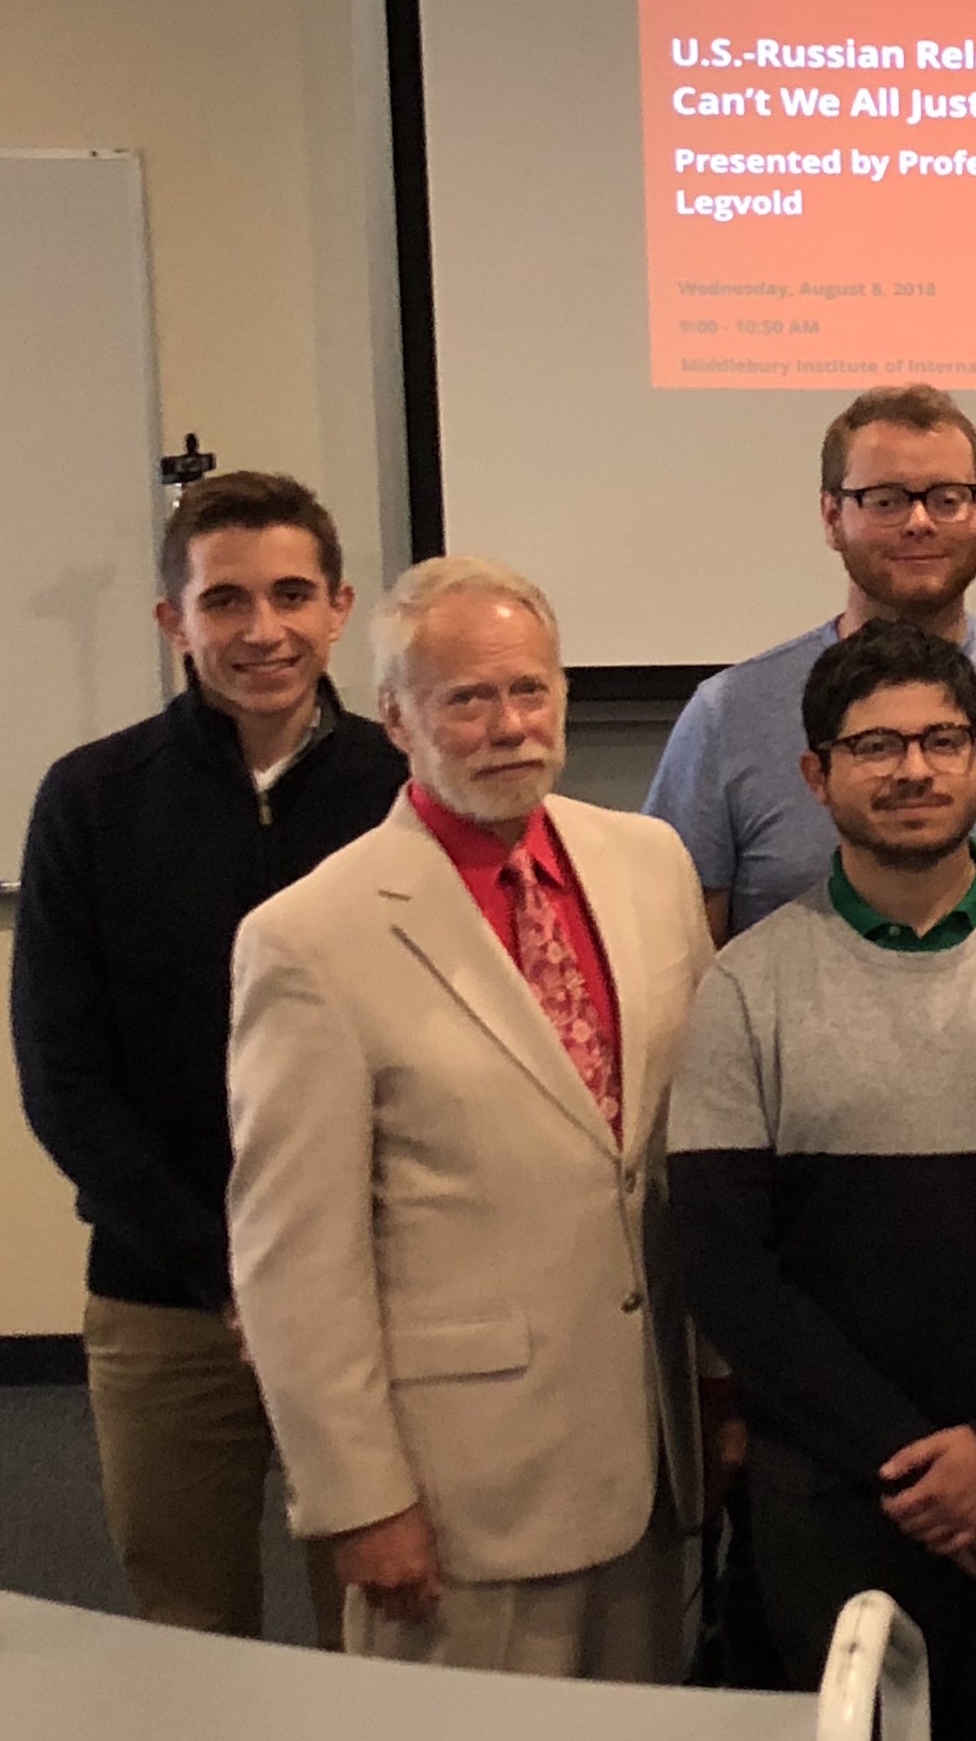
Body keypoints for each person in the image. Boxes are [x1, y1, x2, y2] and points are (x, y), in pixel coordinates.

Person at [665, 622, 976, 1740]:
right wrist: (907, 1461)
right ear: (818, 774)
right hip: (839, 1490)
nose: (914, 770)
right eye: (877, 746)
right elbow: (724, 1263)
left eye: (944, 740)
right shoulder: (746, 988)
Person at [225, 557, 712, 1677]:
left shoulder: (648, 865)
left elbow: (683, 1154)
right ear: (396, 717)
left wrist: (715, 1386)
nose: (509, 725)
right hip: (457, 1494)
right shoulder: (310, 936)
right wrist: (359, 1497)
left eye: (530, 690)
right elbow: (296, 1258)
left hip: (646, 1449)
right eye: (468, 699)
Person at [9, 472, 403, 1643]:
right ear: (174, 621)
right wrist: (221, 1265)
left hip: (379, 1288)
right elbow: (64, 1079)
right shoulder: (90, 799)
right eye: (225, 600)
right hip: (166, 1298)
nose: (262, 629)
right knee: (186, 1630)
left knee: (383, 1615)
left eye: (291, 594)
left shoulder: (405, 791)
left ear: (339, 607)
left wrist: (310, 1271)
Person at [646, 384, 976, 941]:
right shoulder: (728, 716)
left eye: (948, 497)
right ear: (832, 517)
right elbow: (677, 955)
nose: (920, 522)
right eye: (885, 500)